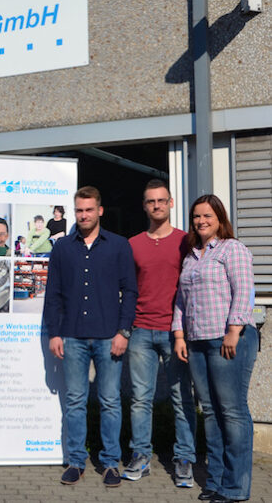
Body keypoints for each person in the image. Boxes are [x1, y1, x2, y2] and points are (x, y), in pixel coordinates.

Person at [44, 186, 137, 488]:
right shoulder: (62, 248)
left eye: (88, 209)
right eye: (79, 210)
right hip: (72, 336)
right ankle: (75, 461)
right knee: (74, 402)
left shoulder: (119, 245)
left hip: (110, 336)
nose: (83, 215)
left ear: (100, 211)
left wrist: (124, 331)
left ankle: (110, 463)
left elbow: (131, 292)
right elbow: (53, 294)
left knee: (110, 401)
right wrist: (54, 332)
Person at [172, 195, 257, 503]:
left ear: (220, 218)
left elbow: (244, 290)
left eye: (207, 215)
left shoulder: (232, 249)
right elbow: (181, 300)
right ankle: (216, 481)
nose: (201, 221)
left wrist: (234, 330)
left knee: (232, 413)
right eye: (196, 216)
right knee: (210, 413)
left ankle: (236, 487)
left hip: (226, 341)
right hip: (196, 342)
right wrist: (179, 335)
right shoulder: (192, 256)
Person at [123, 179, 197, 487]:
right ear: (144, 206)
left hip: (176, 331)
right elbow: (126, 288)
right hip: (141, 330)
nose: (156, 205)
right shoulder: (133, 244)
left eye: (161, 200)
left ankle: (185, 460)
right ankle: (140, 456)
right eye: (151, 201)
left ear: (171, 203)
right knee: (140, 399)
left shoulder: (186, 241)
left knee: (183, 399)